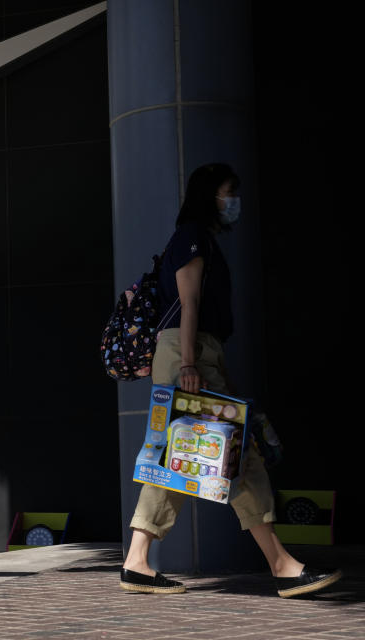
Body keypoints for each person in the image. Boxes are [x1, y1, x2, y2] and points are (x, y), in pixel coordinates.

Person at [119, 163, 341, 598]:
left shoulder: (195, 239)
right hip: (189, 352)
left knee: (175, 459)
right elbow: (190, 301)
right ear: (209, 195)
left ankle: (136, 561)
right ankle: (283, 565)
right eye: (228, 192)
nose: (233, 201)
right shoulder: (192, 237)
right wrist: (189, 364)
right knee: (238, 457)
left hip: (196, 353)